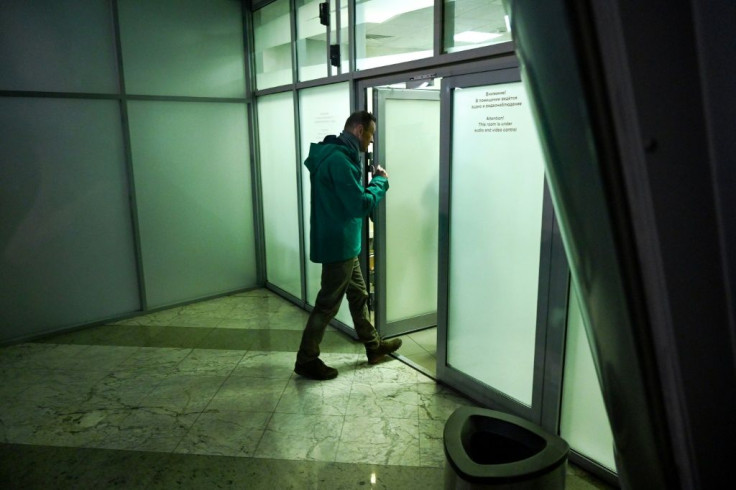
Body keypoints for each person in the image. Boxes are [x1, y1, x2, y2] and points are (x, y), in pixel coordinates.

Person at [294, 110, 402, 380]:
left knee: (358, 295)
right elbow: (358, 204)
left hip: (343, 242)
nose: (370, 142)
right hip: (339, 244)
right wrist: (380, 182)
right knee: (328, 304)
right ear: (358, 131)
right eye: (370, 135)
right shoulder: (340, 161)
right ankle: (306, 360)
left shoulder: (332, 154)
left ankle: (374, 347)